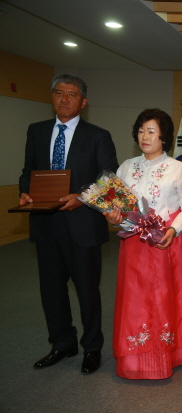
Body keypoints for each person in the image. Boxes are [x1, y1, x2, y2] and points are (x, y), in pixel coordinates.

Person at [18, 74, 118, 374]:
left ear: (83, 102)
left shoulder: (98, 135)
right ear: (52, 97)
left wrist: (82, 198)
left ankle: (92, 347)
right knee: (51, 291)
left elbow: (109, 179)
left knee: (87, 291)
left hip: (82, 225)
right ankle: (62, 343)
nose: (64, 99)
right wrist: (25, 191)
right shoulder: (36, 131)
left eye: (71, 94)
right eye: (59, 92)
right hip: (46, 225)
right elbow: (28, 171)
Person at [104, 108, 182, 379]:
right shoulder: (126, 167)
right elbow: (119, 207)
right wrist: (114, 218)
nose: (145, 136)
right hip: (134, 245)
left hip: (167, 243)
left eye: (151, 131)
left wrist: (173, 228)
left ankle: (170, 353)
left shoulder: (179, 169)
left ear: (164, 137)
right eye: (141, 131)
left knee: (166, 298)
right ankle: (136, 358)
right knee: (135, 300)